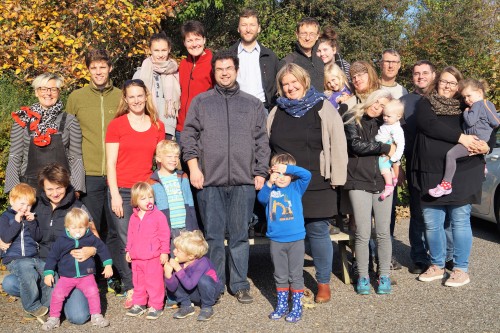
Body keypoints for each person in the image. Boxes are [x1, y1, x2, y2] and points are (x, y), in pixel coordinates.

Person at [181, 50, 270, 304]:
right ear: (214, 72)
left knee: (240, 236)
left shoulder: (252, 104)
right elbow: (188, 137)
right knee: (213, 236)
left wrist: (261, 171)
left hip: (244, 181)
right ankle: (216, 282)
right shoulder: (201, 102)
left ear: (236, 70)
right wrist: (194, 168)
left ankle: (240, 284)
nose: (224, 73)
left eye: (228, 68)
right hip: (209, 180)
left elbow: (262, 142)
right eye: (219, 69)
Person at [268, 63, 347, 303]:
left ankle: (323, 282)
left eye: (294, 82)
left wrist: (337, 178)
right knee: (289, 236)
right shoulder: (276, 111)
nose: (290, 87)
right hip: (285, 184)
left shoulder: (323, 106)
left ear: (304, 81)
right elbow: (266, 144)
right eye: (285, 84)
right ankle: (292, 284)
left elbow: (338, 143)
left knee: (317, 231)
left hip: (316, 181)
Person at [412, 66, 491, 287]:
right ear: (437, 82)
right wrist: (461, 138)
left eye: (452, 83)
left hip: (464, 172)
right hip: (429, 171)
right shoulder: (426, 103)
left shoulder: (468, 105)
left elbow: (489, 130)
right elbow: (429, 125)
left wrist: (487, 146)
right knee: (432, 222)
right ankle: (436, 265)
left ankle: (460, 269)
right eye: (444, 81)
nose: (447, 86)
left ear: (458, 86)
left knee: (460, 221)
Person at [2, 163, 98, 324]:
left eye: (59, 188)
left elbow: (94, 233)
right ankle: (48, 302)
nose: (55, 193)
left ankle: (60, 299)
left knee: (78, 317)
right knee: (10, 283)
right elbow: (10, 216)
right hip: (44, 265)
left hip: (70, 269)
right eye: (49, 189)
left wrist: (92, 250)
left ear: (66, 185)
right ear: (43, 188)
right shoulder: (35, 205)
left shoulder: (78, 207)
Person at [105, 79, 165, 308]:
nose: (136, 100)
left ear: (146, 96)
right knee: (126, 241)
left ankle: (153, 287)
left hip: (146, 191)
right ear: (126, 99)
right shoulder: (117, 125)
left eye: (140, 95)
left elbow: (160, 163)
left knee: (149, 241)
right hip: (121, 189)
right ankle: (132, 287)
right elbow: (110, 164)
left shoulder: (157, 126)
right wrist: (115, 195)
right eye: (132, 96)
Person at [343, 89, 396, 294]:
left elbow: (397, 148)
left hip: (383, 182)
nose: (378, 107)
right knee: (363, 233)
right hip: (358, 181)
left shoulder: (388, 124)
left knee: (383, 233)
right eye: (376, 102)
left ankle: (384, 275)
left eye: (383, 106)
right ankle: (363, 276)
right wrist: (383, 147)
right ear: (370, 99)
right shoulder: (351, 118)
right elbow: (356, 145)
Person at [66, 49, 121, 234]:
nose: (98, 72)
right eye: (93, 67)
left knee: (117, 226)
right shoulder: (76, 97)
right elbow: (66, 137)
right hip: (89, 174)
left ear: (110, 68)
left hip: (118, 172)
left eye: (102, 67)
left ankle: (115, 264)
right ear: (88, 70)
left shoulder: (121, 96)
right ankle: (94, 263)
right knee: (93, 226)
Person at [5, 73, 85, 194]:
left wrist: (77, 189)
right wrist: (14, 190)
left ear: (58, 92)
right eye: (43, 89)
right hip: (29, 189)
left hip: (61, 189)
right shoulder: (23, 120)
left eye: (53, 89)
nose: (48, 93)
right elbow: (15, 156)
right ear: (36, 92)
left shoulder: (70, 121)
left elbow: (76, 158)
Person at [257, 153, 311, 323]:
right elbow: (261, 198)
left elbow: (307, 174)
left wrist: (286, 168)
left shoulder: (296, 187)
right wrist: (269, 182)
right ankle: (282, 305)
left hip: (296, 239)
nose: (281, 178)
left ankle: (296, 306)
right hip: (276, 240)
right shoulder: (270, 190)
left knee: (295, 274)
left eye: (285, 174)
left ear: (292, 175)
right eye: (278, 173)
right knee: (280, 274)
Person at [42, 208, 112, 330]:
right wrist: (48, 272)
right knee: (58, 294)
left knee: (93, 292)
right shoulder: (62, 241)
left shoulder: (90, 238)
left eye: (81, 227)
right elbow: (52, 256)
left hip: (86, 275)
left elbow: (102, 248)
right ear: (67, 227)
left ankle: (96, 315)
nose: (77, 231)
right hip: (67, 277)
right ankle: (53, 318)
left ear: (87, 227)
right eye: (74, 228)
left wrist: (108, 265)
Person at [428, 78, 499, 197]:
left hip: (474, 140)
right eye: (464, 97)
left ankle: (446, 184)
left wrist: (466, 112)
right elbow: (495, 122)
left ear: (479, 92)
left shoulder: (477, 105)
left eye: (469, 96)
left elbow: (470, 122)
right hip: (481, 141)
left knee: (451, 155)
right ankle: (483, 168)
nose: (467, 100)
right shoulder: (488, 104)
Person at [400, 60, 436, 274]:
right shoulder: (404, 102)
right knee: (417, 213)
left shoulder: (443, 98)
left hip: (439, 166)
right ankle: (419, 257)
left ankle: (442, 256)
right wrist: (398, 164)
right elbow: (396, 136)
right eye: (416, 73)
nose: (420, 76)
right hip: (414, 163)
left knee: (441, 213)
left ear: (433, 74)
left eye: (425, 73)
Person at [0, 183, 49, 318]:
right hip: (15, 259)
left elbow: (37, 237)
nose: (25, 208)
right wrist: (16, 222)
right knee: (28, 272)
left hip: (33, 257)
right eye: (21, 204)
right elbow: (5, 237)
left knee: (48, 272)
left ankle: (47, 304)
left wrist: (32, 222)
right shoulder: (5, 217)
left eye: (28, 205)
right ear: (12, 201)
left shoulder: (30, 218)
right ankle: (31, 306)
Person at [125, 182, 170, 320]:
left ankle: (156, 305)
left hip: (153, 257)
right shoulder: (133, 217)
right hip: (137, 258)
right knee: (138, 282)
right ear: (135, 201)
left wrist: (164, 251)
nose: (148, 201)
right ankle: (139, 303)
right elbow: (130, 235)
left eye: (150, 197)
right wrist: (128, 250)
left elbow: (164, 234)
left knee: (154, 283)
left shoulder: (158, 215)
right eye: (143, 198)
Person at [164, 230, 223, 322]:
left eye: (178, 250)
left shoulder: (203, 262)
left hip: (210, 293)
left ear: (191, 256)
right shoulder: (181, 263)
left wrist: (178, 269)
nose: (174, 252)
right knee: (179, 277)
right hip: (194, 293)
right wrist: (168, 275)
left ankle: (207, 307)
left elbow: (190, 285)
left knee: (203, 280)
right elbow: (172, 288)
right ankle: (186, 305)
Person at [228, 8, 279, 112]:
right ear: (238, 28)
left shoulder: (270, 56)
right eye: (244, 25)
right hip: (235, 109)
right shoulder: (229, 55)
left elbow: (276, 87)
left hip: (262, 109)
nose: (248, 29)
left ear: (259, 28)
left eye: (252, 25)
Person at [133, 32, 180, 140]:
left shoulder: (175, 72)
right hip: (146, 126)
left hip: (168, 128)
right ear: (150, 50)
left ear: (169, 49)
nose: (160, 54)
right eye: (156, 50)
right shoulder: (140, 74)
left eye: (163, 50)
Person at [149, 140, 198, 237]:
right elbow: (152, 207)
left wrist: (193, 226)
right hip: (166, 229)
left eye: (176, 156)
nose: (174, 159)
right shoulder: (152, 181)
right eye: (169, 156)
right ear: (158, 158)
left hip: (185, 228)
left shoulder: (183, 176)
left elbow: (190, 202)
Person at [176, 20, 213, 144]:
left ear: (204, 40)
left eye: (197, 39)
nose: (194, 44)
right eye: (189, 40)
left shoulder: (214, 63)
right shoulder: (183, 64)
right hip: (182, 128)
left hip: (203, 129)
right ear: (184, 43)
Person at [280, 17, 324, 92]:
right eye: (304, 34)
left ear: (317, 36)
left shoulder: (322, 60)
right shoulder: (287, 62)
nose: (307, 38)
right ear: (297, 34)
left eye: (312, 34)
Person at [375, 99, 405, 200]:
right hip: (383, 146)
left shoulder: (396, 129)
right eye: (384, 115)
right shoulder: (388, 125)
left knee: (383, 166)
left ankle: (389, 185)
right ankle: (393, 178)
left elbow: (400, 144)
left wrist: (394, 157)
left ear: (398, 117)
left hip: (388, 150)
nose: (385, 118)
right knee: (387, 167)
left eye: (388, 116)